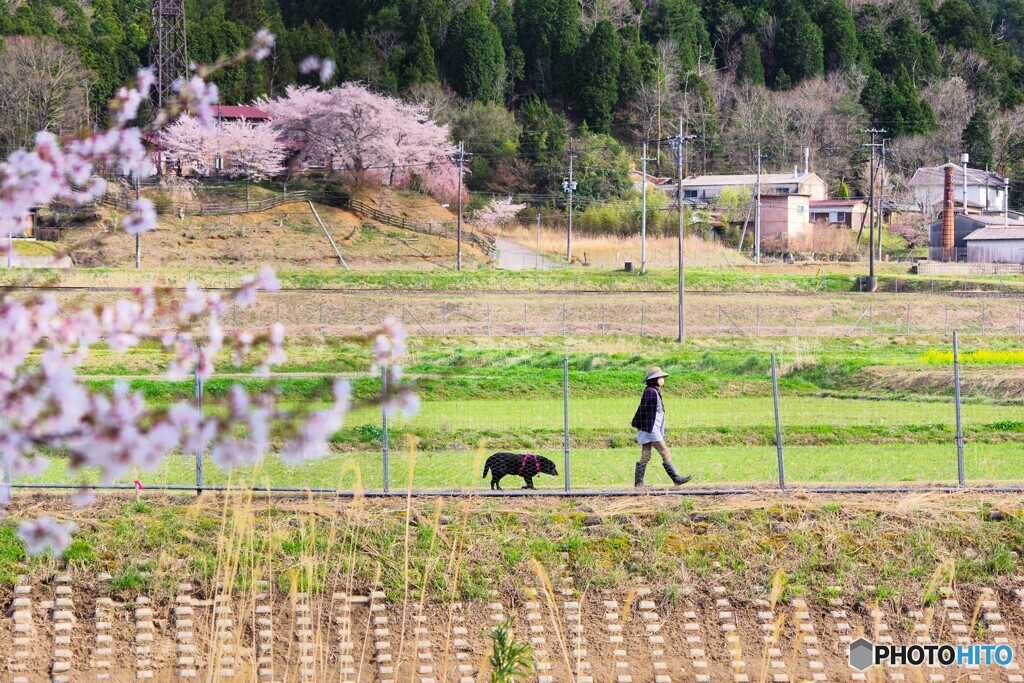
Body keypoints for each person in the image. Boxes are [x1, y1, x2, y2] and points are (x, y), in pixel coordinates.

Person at [630, 367, 691, 488]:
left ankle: (639, 483)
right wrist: (635, 421)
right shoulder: (650, 392)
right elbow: (642, 408)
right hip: (651, 429)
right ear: (655, 379)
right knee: (665, 451)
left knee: (646, 455)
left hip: (649, 428)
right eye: (661, 378)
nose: (663, 380)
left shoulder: (654, 391)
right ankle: (676, 479)